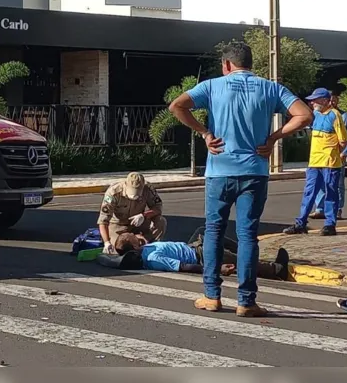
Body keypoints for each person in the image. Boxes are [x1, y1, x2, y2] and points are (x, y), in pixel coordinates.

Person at [168, 41, 312, 317]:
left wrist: (205, 133)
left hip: (220, 170)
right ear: (251, 64)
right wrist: (274, 137)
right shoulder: (270, 88)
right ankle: (246, 301)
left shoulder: (212, 86)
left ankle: (212, 296)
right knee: (248, 236)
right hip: (255, 171)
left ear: (226, 65)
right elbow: (304, 115)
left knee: (213, 231)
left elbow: (177, 106)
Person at [283, 88, 347, 237]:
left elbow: (343, 141)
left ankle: (330, 225)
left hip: (330, 163)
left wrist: (335, 154)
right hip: (314, 162)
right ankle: (301, 223)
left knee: (331, 193)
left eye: (315, 99)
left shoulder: (335, 115)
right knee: (309, 193)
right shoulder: (315, 115)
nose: (312, 102)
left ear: (325, 101)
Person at [113, 231, 290, 281]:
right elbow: (183, 267)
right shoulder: (153, 259)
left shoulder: (146, 249)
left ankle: (248, 249)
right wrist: (216, 269)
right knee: (234, 260)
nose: (138, 238)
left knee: (209, 232)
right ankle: (276, 270)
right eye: (135, 240)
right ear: (134, 249)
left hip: (193, 247)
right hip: (200, 256)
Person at [98, 172, 167, 254]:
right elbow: (103, 221)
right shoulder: (113, 192)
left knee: (160, 221)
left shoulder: (148, 189)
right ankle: (138, 240)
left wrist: (144, 215)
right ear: (126, 185)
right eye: (132, 192)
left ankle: (153, 247)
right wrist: (106, 242)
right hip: (118, 225)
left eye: (138, 194)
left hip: (139, 221)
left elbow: (158, 208)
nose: (134, 196)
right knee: (118, 249)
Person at [310, 92, 347, 220]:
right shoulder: (318, 114)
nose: (332, 102)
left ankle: (337, 210)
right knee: (320, 184)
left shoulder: (343, 116)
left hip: (336, 156)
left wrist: (343, 153)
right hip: (320, 157)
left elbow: (346, 138)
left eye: (334, 100)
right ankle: (320, 208)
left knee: (336, 185)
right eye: (330, 100)